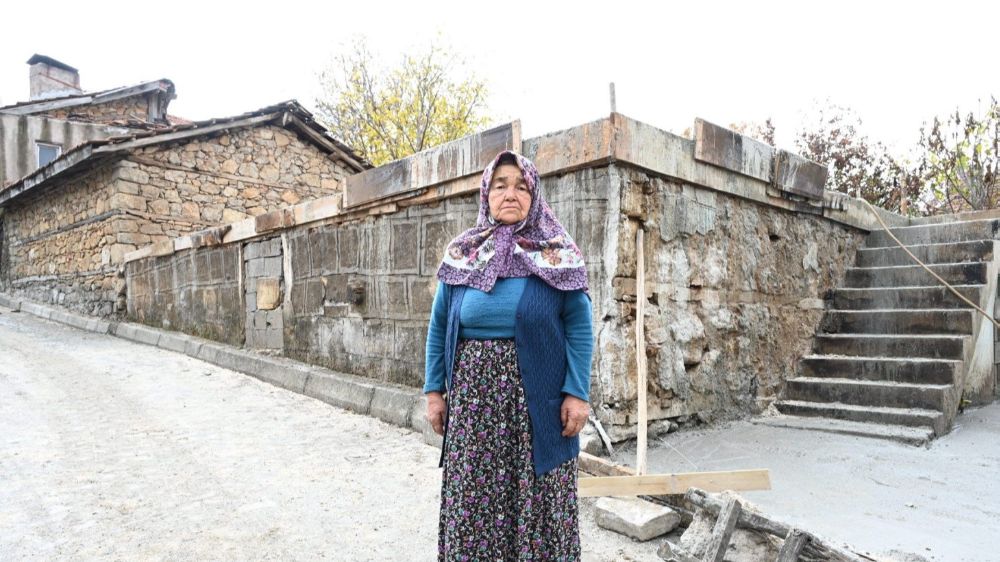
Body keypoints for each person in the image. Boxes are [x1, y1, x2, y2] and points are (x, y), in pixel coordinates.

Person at [424, 150, 593, 561]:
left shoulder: (556, 253)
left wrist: (577, 392)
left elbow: (579, 327)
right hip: (474, 406)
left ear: (534, 194)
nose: (510, 193)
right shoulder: (463, 253)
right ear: (486, 194)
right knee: (474, 498)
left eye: (521, 185)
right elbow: (439, 324)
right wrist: (434, 390)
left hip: (536, 405)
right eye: (500, 185)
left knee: (537, 500)